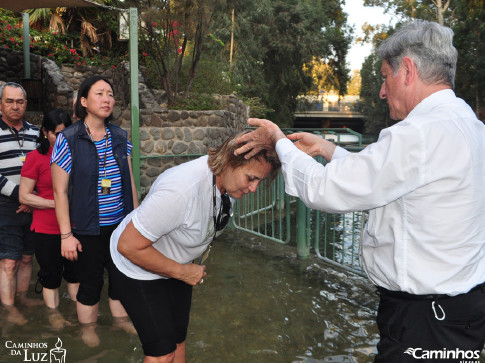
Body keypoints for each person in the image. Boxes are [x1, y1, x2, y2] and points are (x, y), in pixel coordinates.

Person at [235, 20, 485, 362]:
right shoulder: (469, 126)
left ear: (408, 70)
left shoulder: (419, 134)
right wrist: (328, 149)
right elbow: (392, 177)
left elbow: (325, 189)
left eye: (385, 77)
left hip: (425, 320)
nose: (382, 91)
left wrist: (279, 141)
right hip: (462, 311)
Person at [109, 132, 280, 363]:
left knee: (178, 342)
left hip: (178, 264)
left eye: (259, 181)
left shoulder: (226, 182)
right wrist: (183, 272)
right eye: (251, 178)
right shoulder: (181, 189)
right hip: (135, 266)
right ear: (229, 162)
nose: (254, 189)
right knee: (162, 353)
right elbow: (128, 245)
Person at [51, 75, 139, 346]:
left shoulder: (120, 136)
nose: (107, 99)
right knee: (90, 284)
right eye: (99, 94)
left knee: (121, 280)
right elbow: (59, 192)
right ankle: (87, 330)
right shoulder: (68, 139)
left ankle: (120, 322)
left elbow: (130, 183)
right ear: (84, 101)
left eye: (110, 94)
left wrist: (135, 223)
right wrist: (67, 236)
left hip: (119, 227)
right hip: (87, 229)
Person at [19, 108, 78, 329]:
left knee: (75, 274)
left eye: (67, 133)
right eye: (57, 134)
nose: (62, 139)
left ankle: (75, 312)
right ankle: (53, 315)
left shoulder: (77, 155)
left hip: (75, 226)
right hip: (46, 228)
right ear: (46, 132)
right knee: (50, 275)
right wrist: (58, 204)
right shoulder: (36, 158)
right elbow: (24, 195)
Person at [0, 82, 42, 325]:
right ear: (1, 104)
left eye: (20, 101)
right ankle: (9, 308)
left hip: (31, 204)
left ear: (26, 104)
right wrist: (22, 195)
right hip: (6, 205)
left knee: (27, 257)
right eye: (9, 101)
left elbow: (44, 169)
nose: (15, 106)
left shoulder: (36, 133)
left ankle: (22, 297)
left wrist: (32, 195)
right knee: (8, 260)